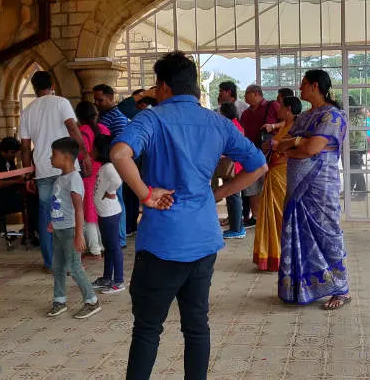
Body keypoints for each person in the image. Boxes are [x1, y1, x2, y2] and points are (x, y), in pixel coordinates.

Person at [112, 52, 267, 380]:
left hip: (162, 243)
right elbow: (259, 166)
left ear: (164, 86)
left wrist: (145, 193)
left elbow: (119, 153)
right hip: (203, 239)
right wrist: (217, 195)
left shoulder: (152, 119)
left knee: (147, 330)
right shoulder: (218, 122)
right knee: (196, 327)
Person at [276, 70, 350, 309]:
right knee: (297, 231)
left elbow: (312, 148)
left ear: (315, 86)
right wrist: (296, 144)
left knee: (327, 231)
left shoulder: (332, 115)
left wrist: (295, 145)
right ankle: (302, 287)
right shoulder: (306, 116)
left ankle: (340, 288)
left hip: (320, 184)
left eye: (303, 84)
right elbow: (284, 145)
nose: (299, 88)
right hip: (297, 183)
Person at [20, 71, 89, 272]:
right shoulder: (61, 102)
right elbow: (73, 129)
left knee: (47, 215)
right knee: (71, 211)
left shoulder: (28, 111)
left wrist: (27, 174)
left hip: (43, 169)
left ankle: (51, 263)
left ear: (34, 88)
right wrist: (83, 154)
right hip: (66, 167)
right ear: (52, 84)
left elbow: (25, 147)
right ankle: (71, 261)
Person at [45, 137, 102, 319]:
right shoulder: (61, 178)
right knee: (58, 266)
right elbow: (59, 204)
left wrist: (79, 234)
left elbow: (79, 208)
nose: (50, 158)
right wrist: (53, 221)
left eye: (54, 154)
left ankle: (91, 301)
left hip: (70, 230)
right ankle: (59, 300)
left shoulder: (74, 179)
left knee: (75, 266)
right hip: (59, 229)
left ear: (67, 157)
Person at [254, 95, 300, 272]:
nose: (277, 110)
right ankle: (275, 254)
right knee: (273, 214)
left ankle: (285, 254)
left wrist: (276, 145)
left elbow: (295, 146)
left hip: (283, 173)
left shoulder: (296, 126)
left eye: (280, 107)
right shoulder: (287, 124)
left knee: (281, 214)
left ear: (288, 109)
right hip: (275, 172)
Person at [93, 84, 133, 240]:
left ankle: (120, 237)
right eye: (95, 100)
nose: (96, 103)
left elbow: (122, 145)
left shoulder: (117, 117)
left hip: (114, 166)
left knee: (117, 200)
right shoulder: (104, 116)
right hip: (105, 166)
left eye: (100, 100)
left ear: (111, 98)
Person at [76, 101, 112, 258]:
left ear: (78, 117)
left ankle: (94, 247)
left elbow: (78, 155)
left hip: (88, 174)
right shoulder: (104, 129)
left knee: (89, 211)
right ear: (96, 114)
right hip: (106, 171)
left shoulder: (80, 132)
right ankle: (105, 243)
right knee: (104, 209)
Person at [240, 84, 280, 226]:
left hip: (270, 153)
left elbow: (288, 121)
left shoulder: (272, 106)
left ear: (256, 94)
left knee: (267, 185)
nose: (244, 97)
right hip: (251, 153)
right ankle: (256, 217)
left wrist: (273, 126)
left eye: (246, 93)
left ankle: (270, 216)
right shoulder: (245, 113)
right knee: (250, 186)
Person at [90, 134, 125, 294]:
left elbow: (118, 181)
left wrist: (110, 191)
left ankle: (118, 281)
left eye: (94, 148)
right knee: (109, 247)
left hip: (110, 213)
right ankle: (106, 278)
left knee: (114, 247)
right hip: (105, 213)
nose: (92, 150)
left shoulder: (109, 167)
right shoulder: (104, 167)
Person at [218, 102, 246, 240]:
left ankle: (237, 228)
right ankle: (236, 226)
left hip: (233, 165)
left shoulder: (231, 125)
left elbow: (231, 146)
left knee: (233, 196)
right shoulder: (235, 123)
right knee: (233, 196)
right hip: (236, 164)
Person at [347, 97, 368, 201]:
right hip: (360, 146)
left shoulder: (352, 118)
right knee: (355, 169)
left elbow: (352, 135)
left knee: (356, 170)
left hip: (354, 146)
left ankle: (361, 193)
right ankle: (352, 190)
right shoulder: (360, 116)